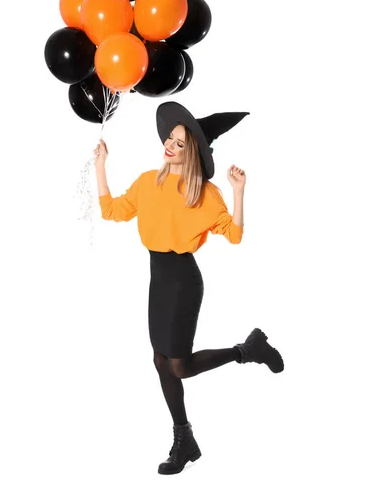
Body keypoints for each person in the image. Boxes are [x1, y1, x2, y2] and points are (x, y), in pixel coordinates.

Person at [93, 101, 284, 475]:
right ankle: (185, 440)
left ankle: (248, 350)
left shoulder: (204, 194)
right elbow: (112, 210)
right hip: (158, 280)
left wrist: (238, 192)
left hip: (182, 283)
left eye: (180, 143)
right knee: (160, 361)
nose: (169, 145)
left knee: (177, 366)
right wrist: (101, 166)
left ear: (192, 151)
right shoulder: (149, 181)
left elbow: (234, 235)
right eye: (170, 138)